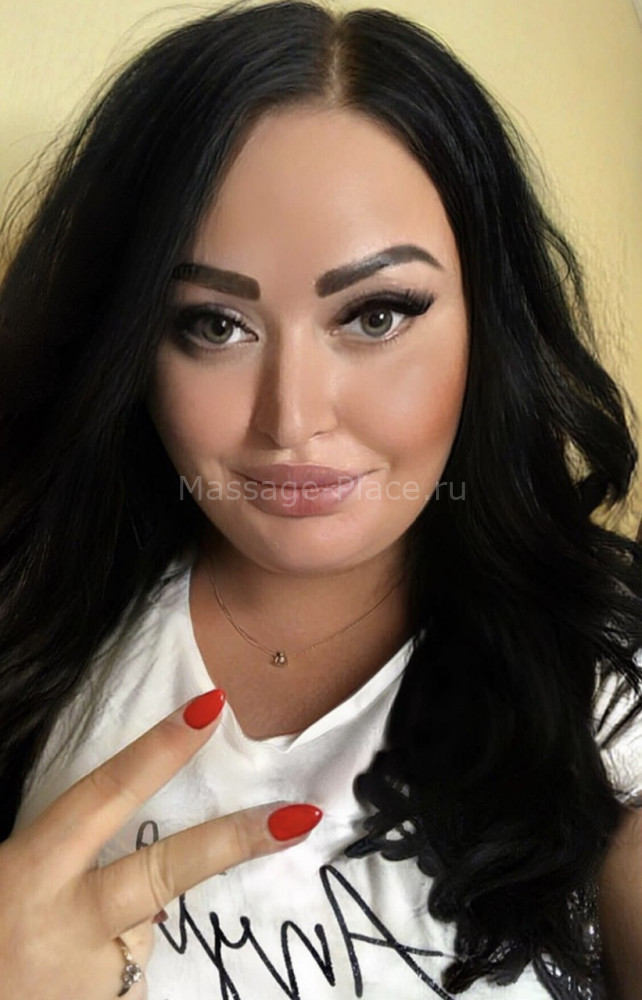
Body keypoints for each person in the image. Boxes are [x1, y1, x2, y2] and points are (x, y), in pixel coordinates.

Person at [0, 1, 641, 997]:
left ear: (489, 321)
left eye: (376, 315)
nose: (291, 420)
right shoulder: (29, 619)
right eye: (214, 324)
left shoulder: (610, 689)